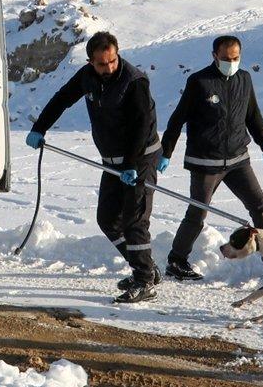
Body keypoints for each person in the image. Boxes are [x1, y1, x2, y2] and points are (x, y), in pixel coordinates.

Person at [26, 31, 162, 303]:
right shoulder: (87, 76)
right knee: (108, 220)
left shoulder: (134, 81)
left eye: (112, 61)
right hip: (111, 160)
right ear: (90, 62)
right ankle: (144, 267)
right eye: (102, 64)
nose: (109, 68)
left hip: (140, 158)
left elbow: (141, 125)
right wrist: (39, 127)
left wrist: (132, 164)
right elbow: (62, 98)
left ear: (117, 54)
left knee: (135, 221)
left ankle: (145, 281)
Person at [158, 34, 263, 281]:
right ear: (214, 56)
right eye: (226, 58)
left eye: (236, 58)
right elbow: (177, 119)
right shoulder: (199, 82)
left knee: (260, 206)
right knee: (198, 214)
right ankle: (176, 261)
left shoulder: (244, 78)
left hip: (238, 160)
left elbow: (253, 115)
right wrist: (166, 151)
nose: (231, 63)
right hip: (205, 163)